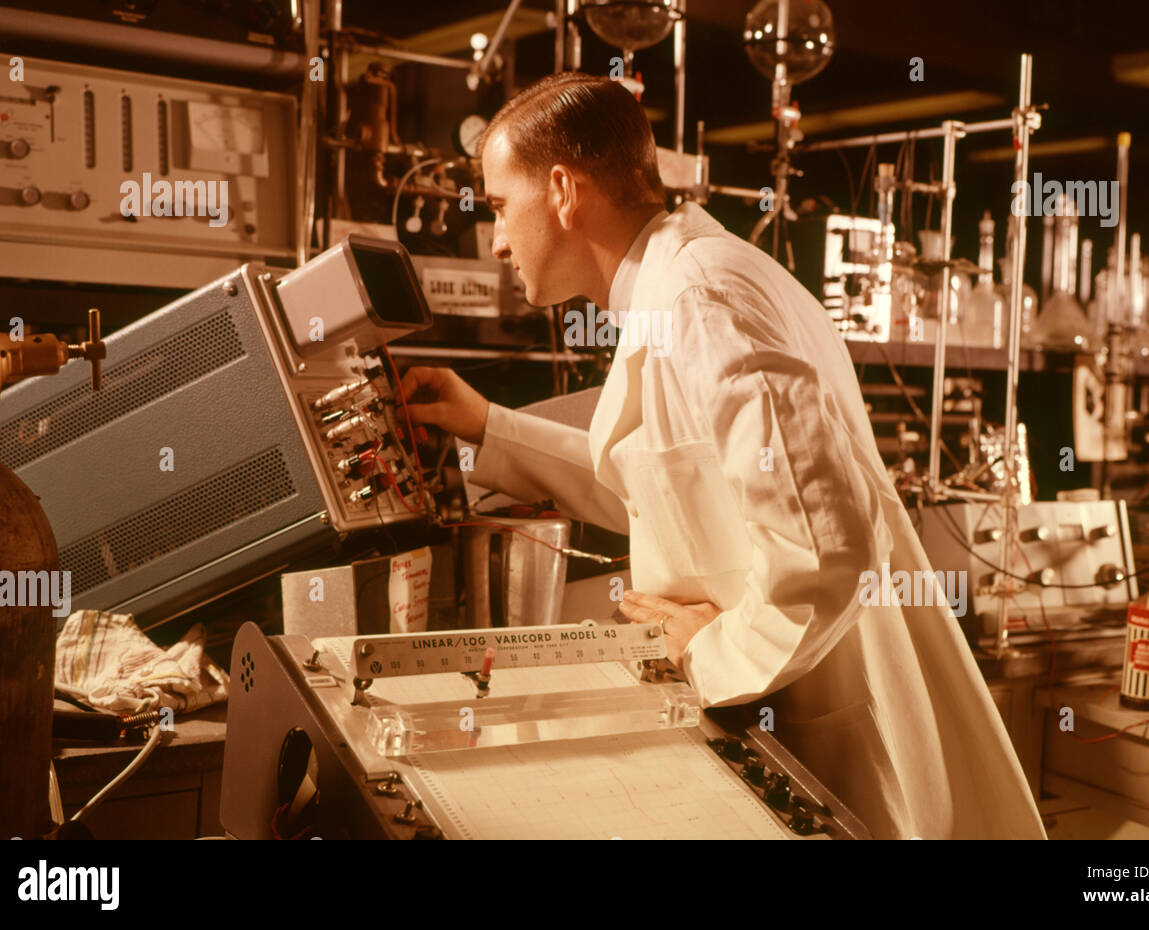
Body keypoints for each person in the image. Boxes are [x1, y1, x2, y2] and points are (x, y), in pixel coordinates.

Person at [399, 72, 1046, 839]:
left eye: (502, 207)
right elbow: (662, 488)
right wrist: (488, 426)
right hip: (778, 718)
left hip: (818, 732)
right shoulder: (677, 284)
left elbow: (827, 550)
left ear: (565, 190)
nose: (498, 238)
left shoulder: (701, 297)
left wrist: (710, 652)